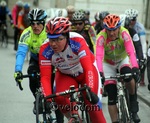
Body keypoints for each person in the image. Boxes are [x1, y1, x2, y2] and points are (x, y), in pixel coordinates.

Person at [39, 17, 106, 123]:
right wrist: (47, 99)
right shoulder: (45, 49)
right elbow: (45, 77)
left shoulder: (77, 40)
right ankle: (75, 119)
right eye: (51, 39)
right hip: (66, 74)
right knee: (60, 98)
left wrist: (90, 90)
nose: (53, 44)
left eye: (58, 39)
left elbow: (88, 68)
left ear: (67, 36)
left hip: (85, 72)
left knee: (94, 108)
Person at [96, 14, 141, 123]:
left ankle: (133, 107)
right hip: (108, 64)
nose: (111, 33)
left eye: (114, 30)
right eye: (109, 30)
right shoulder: (101, 37)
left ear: (119, 27)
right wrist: (100, 73)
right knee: (111, 96)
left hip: (122, 60)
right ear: (105, 29)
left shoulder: (124, 33)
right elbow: (99, 56)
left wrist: (135, 67)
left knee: (129, 77)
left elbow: (131, 51)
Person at [14, 8, 47, 111]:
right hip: (36, 59)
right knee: (31, 75)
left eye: (38, 23)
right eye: (32, 23)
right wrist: (18, 70)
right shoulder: (27, 33)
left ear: (44, 22)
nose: (35, 26)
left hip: (50, 61)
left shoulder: (49, 31)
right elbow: (21, 53)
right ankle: (37, 99)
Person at [125, 8, 147, 86]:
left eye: (133, 20)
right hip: (125, 47)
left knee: (141, 60)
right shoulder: (124, 24)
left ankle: (141, 79)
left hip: (136, 45)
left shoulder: (139, 27)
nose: (131, 22)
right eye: (129, 20)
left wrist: (143, 54)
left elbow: (143, 42)